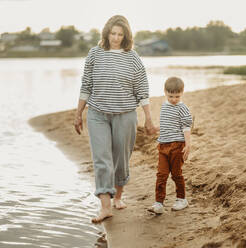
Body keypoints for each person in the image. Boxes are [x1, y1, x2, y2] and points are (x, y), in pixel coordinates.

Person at [74, 15, 157, 223]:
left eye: (120, 34)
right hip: (97, 114)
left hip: (125, 115)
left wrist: (148, 117)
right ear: (106, 33)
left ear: (126, 35)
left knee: (121, 160)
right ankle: (105, 207)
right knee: (102, 160)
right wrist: (78, 114)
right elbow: (86, 86)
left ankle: (118, 197)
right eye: (113, 33)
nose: (116, 38)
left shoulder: (132, 57)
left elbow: (142, 90)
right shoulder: (95, 54)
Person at [148, 76, 193, 214]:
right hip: (163, 145)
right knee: (161, 174)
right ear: (165, 92)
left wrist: (188, 144)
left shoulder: (183, 108)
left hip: (177, 145)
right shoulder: (165, 106)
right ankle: (159, 203)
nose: (173, 99)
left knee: (176, 174)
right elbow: (167, 124)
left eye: (177, 96)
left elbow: (186, 127)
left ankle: (181, 199)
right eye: (170, 96)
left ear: (182, 93)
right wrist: (156, 128)